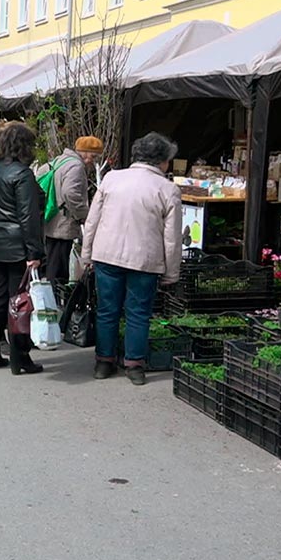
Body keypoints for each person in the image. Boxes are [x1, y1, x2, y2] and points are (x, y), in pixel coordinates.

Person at [80, 132, 183, 385]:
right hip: (144, 260)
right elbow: (172, 238)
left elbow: (92, 220)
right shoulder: (168, 189)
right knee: (138, 312)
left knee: (107, 310)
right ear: (162, 161)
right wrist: (172, 272)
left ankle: (104, 361)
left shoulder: (112, 179)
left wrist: (87, 254)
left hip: (106, 254)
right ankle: (134, 365)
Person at [0, 122, 45, 375]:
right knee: (19, 303)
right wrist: (34, 253)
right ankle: (20, 358)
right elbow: (28, 217)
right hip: (17, 245)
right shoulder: (22, 174)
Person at [40, 135, 103, 283]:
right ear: (84, 152)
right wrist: (83, 214)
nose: (93, 161)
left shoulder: (60, 160)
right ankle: (55, 301)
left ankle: (53, 296)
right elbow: (70, 192)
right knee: (58, 268)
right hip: (63, 222)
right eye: (93, 156)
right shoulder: (76, 166)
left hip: (52, 218)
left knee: (53, 263)